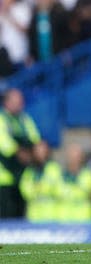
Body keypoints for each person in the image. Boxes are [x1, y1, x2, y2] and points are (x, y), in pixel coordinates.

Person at [0, 88, 41, 218]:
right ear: (6, 102)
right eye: (16, 100)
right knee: (6, 215)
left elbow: (35, 139)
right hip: (4, 178)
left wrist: (34, 152)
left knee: (20, 213)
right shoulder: (1, 119)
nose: (20, 103)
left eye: (21, 100)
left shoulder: (25, 119)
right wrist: (21, 153)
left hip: (23, 176)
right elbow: (5, 145)